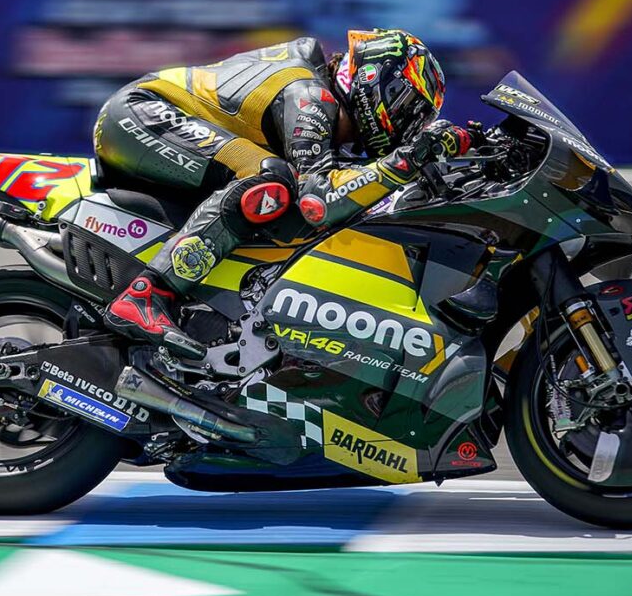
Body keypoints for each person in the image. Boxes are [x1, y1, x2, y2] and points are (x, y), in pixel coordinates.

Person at [93, 28, 472, 359]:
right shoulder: (310, 96)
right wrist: (408, 159)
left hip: (157, 122)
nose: (408, 126)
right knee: (270, 181)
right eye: (407, 107)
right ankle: (145, 295)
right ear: (375, 82)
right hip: (141, 112)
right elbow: (319, 200)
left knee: (283, 193)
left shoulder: (320, 99)